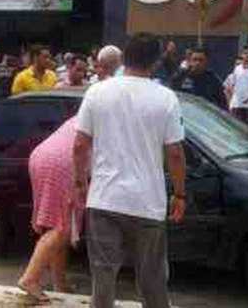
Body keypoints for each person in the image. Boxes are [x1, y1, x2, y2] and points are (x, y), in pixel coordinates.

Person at [73, 33, 187, 308]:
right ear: (157, 62)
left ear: (124, 57)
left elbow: (79, 145)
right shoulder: (166, 98)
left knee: (103, 279)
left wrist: (80, 184)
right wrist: (180, 194)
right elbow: (174, 152)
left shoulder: (97, 91)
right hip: (148, 203)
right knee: (152, 281)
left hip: (104, 199)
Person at [18, 117, 83, 303]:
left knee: (56, 224)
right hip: (63, 163)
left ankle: (60, 283)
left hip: (41, 156)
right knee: (62, 229)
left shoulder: (86, 111)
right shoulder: (109, 116)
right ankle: (29, 278)